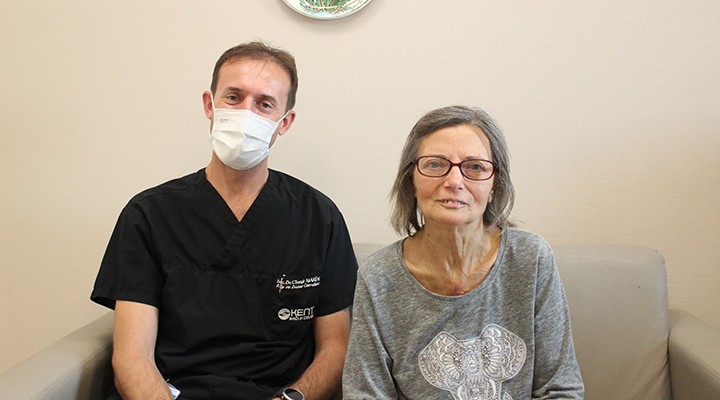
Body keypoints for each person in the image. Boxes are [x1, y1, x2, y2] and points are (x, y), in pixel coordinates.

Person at [91, 41, 358, 400]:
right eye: (233, 97)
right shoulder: (149, 215)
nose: (247, 113)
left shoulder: (319, 219)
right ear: (210, 105)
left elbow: (336, 352)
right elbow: (132, 357)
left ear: (285, 122)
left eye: (264, 104)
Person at [342, 105, 584, 399]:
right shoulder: (379, 277)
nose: (454, 181)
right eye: (435, 164)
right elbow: (365, 394)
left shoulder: (531, 260)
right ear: (411, 182)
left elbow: (561, 389)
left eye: (475, 167)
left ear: (495, 185)